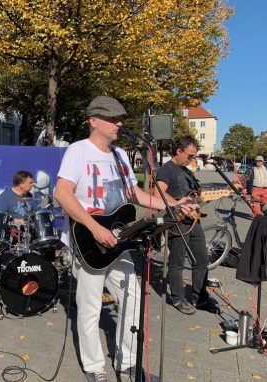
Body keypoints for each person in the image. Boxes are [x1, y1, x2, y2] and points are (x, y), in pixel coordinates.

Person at [54, 96, 197, 382]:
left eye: (120, 118)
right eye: (112, 119)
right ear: (93, 121)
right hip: (88, 240)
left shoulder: (120, 157)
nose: (119, 123)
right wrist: (94, 228)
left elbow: (135, 195)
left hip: (120, 240)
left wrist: (174, 205)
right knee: (91, 308)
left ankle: (128, 362)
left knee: (133, 300)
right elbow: (62, 193)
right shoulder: (77, 151)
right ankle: (95, 368)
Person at [154, 136, 220, 315]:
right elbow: (158, 194)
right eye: (190, 155)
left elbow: (195, 195)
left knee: (202, 260)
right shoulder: (167, 169)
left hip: (193, 221)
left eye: (194, 156)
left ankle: (199, 298)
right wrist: (178, 204)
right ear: (178, 151)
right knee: (177, 262)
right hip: (177, 222)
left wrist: (203, 199)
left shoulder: (187, 171)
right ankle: (177, 298)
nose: (192, 159)